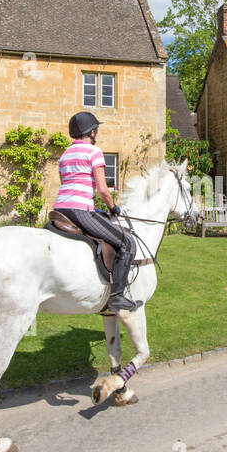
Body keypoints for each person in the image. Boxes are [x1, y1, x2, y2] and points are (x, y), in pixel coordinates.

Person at [52, 112, 141, 312]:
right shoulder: (93, 152)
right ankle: (117, 296)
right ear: (92, 131)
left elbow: (66, 182)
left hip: (60, 209)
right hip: (80, 210)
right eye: (96, 129)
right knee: (127, 242)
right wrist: (112, 207)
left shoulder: (65, 154)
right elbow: (102, 189)